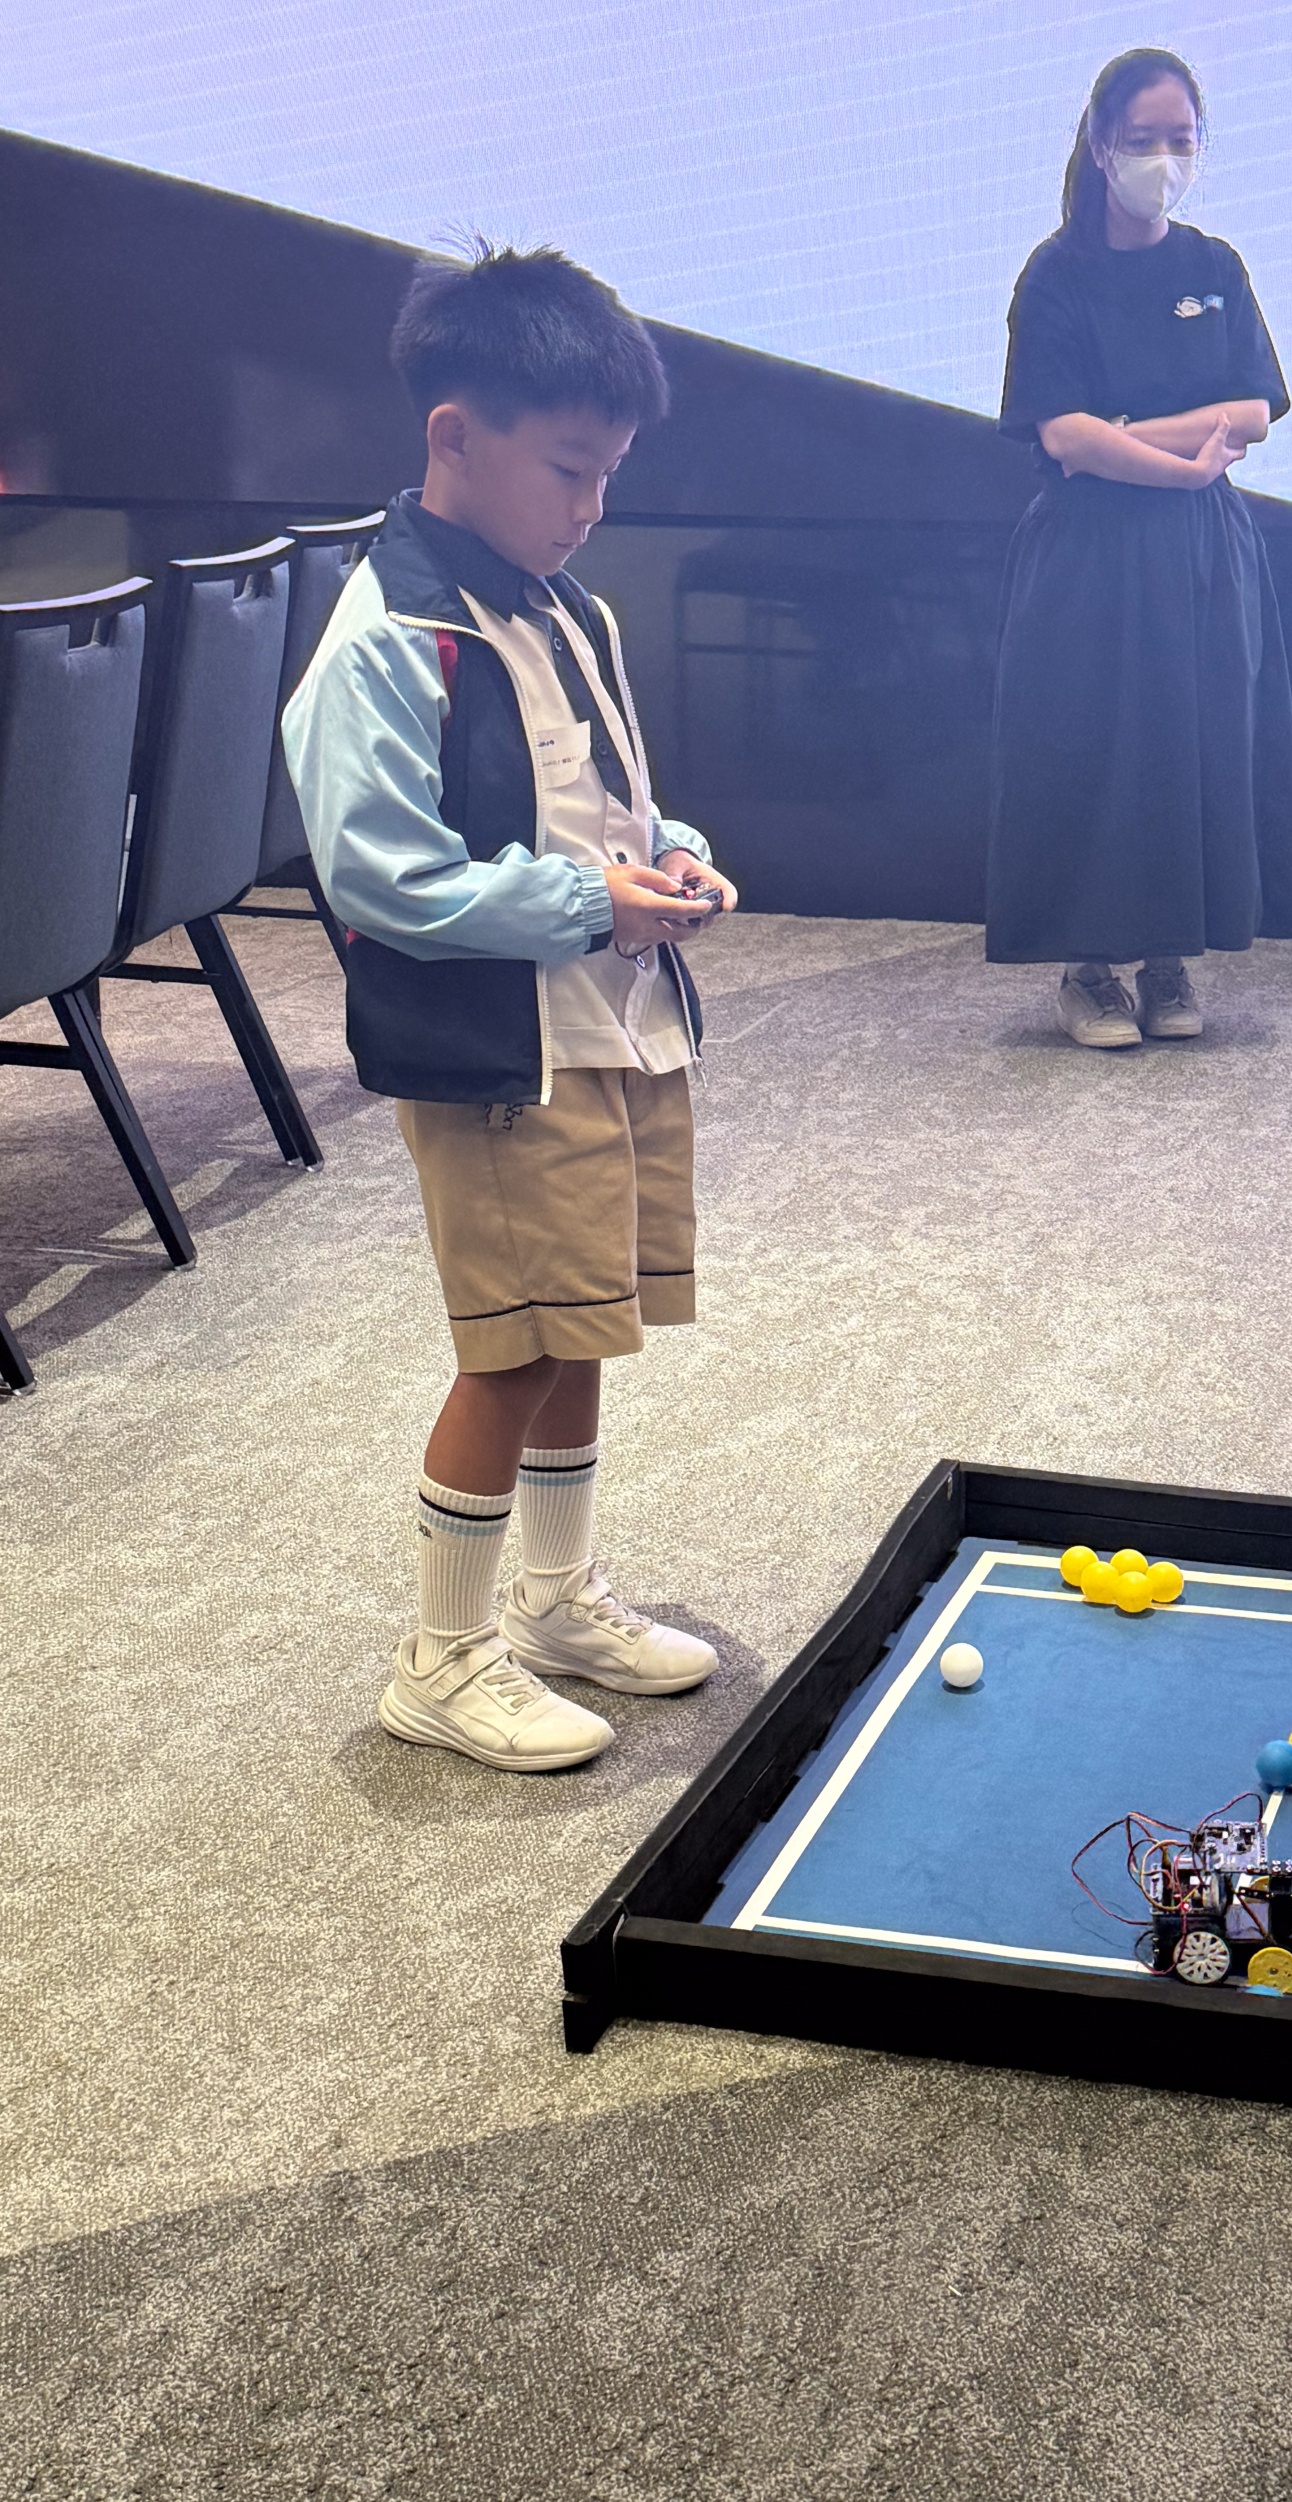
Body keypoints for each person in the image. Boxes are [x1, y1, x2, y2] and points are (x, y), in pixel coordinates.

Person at [284, 244, 736, 1774]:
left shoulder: (566, 607)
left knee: (579, 1325)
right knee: (511, 1349)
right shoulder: (390, 635)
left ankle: (552, 1600)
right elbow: (382, 881)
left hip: (613, 1022)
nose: (591, 504)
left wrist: (668, 858)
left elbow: (603, 804)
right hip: (498, 1057)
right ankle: (443, 1658)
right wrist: (591, 903)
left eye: (609, 473)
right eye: (567, 468)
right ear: (454, 436)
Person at [988, 49, 1292, 1047]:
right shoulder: (1057, 273)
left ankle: (1169, 959)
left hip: (1202, 552)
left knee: (1191, 743)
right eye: (1142, 140)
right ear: (1099, 146)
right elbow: (1064, 438)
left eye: (1182, 140)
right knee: (1095, 746)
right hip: (1089, 553)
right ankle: (1089, 970)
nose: (1163, 161)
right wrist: (1177, 457)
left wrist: (1130, 434)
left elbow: (1253, 412)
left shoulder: (1214, 268)